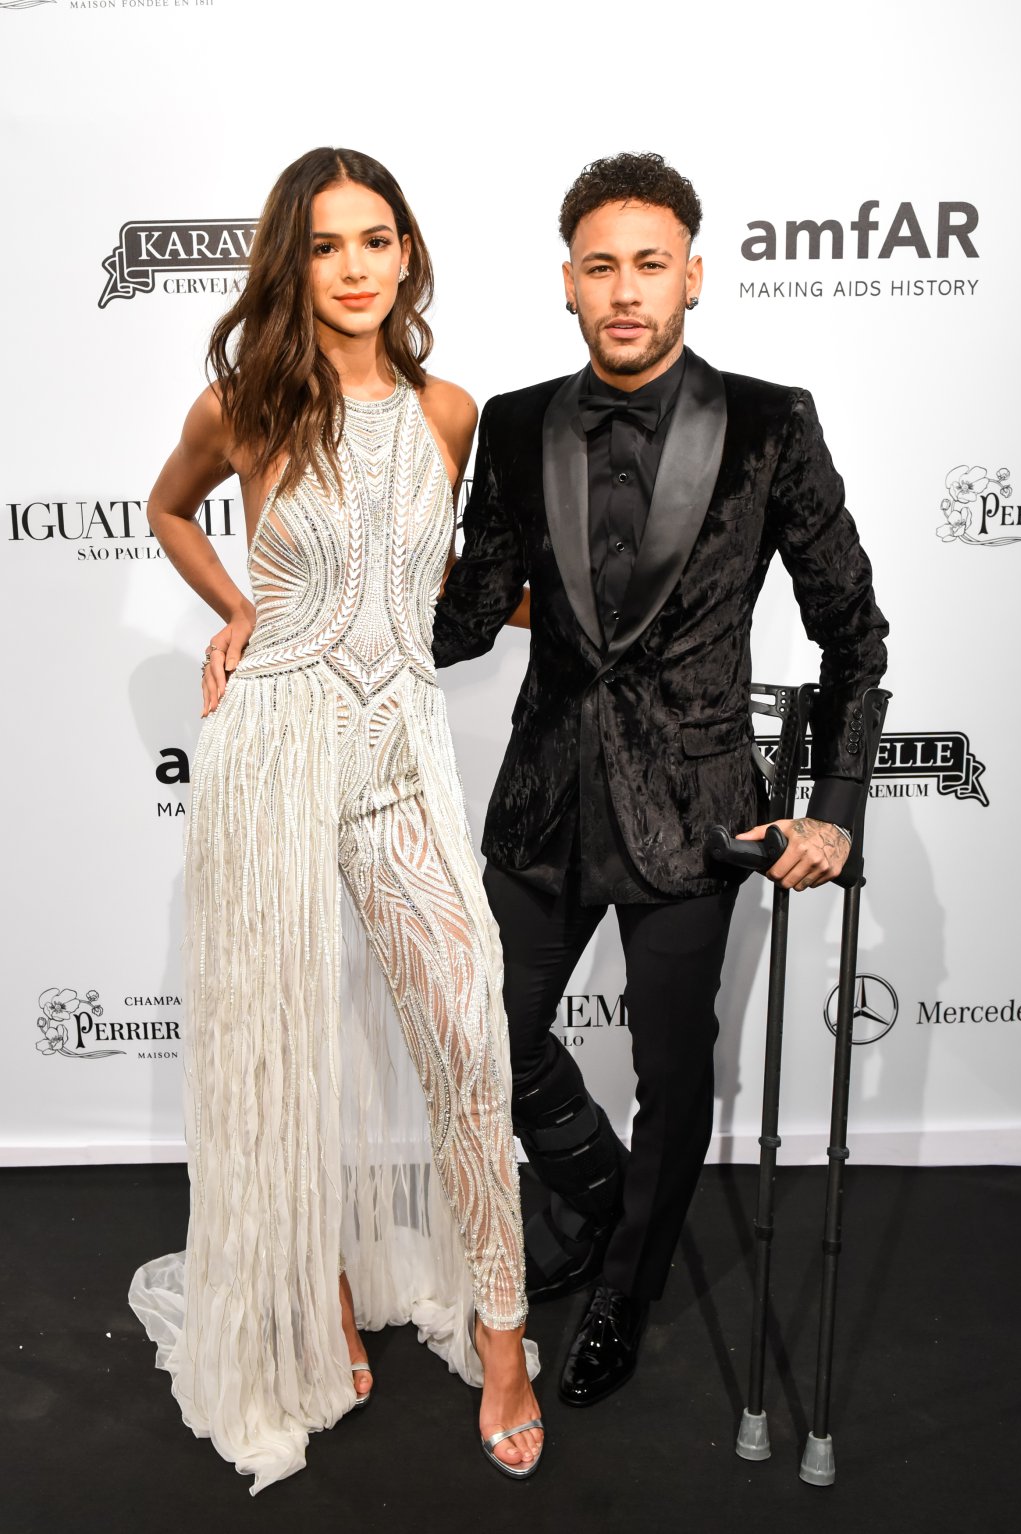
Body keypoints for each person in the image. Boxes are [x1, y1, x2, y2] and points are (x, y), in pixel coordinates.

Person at [432, 152, 889, 1409]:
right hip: (539, 804)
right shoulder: (515, 425)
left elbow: (853, 633)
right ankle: (597, 1192)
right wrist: (320, 604)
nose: (624, 290)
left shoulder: (771, 419)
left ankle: (624, 1288)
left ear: (692, 272)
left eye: (648, 263)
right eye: (599, 266)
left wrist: (833, 813)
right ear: (566, 285)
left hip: (698, 815)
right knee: (484, 1044)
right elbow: (469, 612)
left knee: (675, 1074)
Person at [129, 147, 543, 1491]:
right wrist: (239, 610)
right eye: (326, 245)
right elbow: (168, 510)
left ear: (410, 253)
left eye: (379, 239)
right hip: (272, 752)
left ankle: (503, 1338)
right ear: (290, 262)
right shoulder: (241, 402)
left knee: (466, 1022)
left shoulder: (450, 409)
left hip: (402, 750)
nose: (358, 266)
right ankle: (307, 1306)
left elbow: (438, 593)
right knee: (283, 1053)